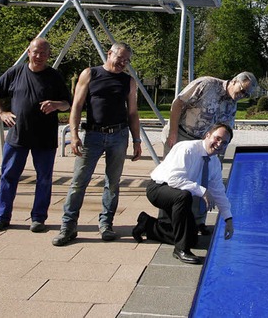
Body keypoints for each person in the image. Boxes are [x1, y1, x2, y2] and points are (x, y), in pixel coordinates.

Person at [52, 42, 142, 246]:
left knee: (113, 183)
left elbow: (133, 113)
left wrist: (136, 140)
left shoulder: (128, 81)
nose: (123, 63)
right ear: (109, 54)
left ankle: (106, 224)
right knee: (78, 182)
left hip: (118, 135)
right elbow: (76, 106)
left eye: (127, 60)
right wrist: (74, 135)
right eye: (120, 58)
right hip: (93, 135)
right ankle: (68, 225)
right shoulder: (90, 74)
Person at [0, 37, 71, 233]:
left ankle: (38, 218)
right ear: (28, 52)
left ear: (49, 55)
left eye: (43, 53)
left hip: (44, 139)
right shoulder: (16, 72)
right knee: (8, 176)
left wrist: (56, 105)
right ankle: (2, 217)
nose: (39, 56)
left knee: (44, 179)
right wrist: (2, 112)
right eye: (36, 52)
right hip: (17, 137)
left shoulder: (54, 76)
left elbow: (68, 103)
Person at [160, 72, 256, 235]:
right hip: (182, 135)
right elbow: (178, 103)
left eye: (246, 95)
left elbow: (227, 129)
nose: (241, 96)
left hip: (205, 144)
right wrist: (173, 132)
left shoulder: (232, 104)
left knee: (204, 182)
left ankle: (198, 222)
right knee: (173, 180)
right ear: (233, 81)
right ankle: (165, 222)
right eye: (241, 90)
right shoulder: (206, 84)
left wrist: (220, 150)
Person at [133, 123, 235, 264]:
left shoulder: (214, 163)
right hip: (159, 189)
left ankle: (148, 225)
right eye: (217, 138)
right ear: (207, 135)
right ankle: (181, 250)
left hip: (178, 194)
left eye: (224, 143)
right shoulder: (187, 149)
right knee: (184, 196)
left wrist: (228, 218)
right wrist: (202, 190)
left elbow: (218, 191)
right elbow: (174, 180)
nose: (219, 144)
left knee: (192, 239)